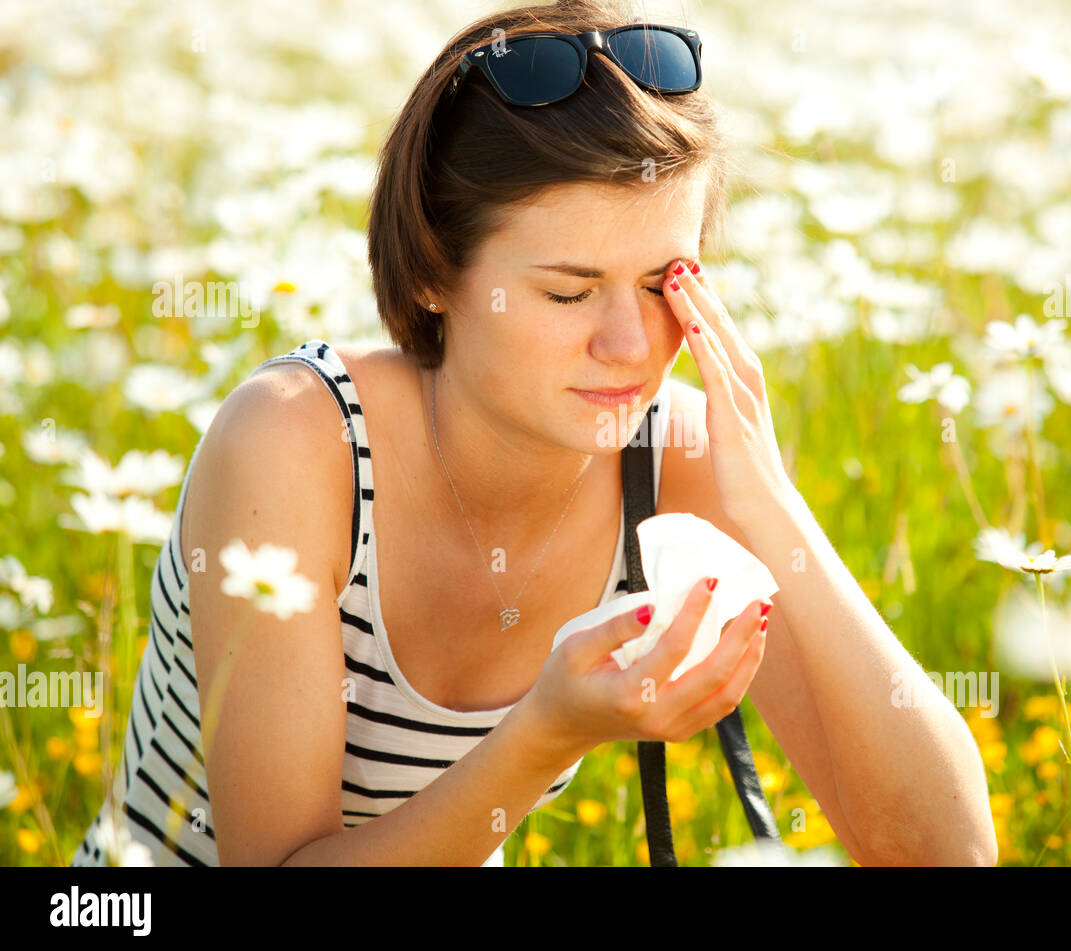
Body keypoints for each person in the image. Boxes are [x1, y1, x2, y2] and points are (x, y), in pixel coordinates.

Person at [73, 0, 997, 867]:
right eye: (567, 291)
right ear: (436, 270)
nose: (630, 346)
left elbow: (947, 852)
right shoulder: (294, 442)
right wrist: (546, 734)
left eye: (661, 281)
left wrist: (769, 502)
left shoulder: (674, 457)